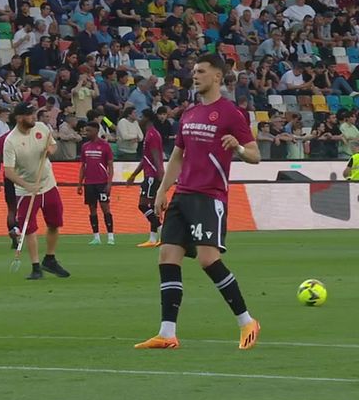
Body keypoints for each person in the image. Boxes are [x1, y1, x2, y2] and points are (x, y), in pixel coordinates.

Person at [134, 54, 261, 350]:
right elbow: (178, 156)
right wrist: (163, 191)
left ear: (217, 76)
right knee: (167, 256)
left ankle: (247, 321)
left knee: (207, 259)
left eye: (201, 71)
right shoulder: (189, 114)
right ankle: (167, 333)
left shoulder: (230, 113)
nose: (195, 75)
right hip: (183, 195)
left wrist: (239, 148)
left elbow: (255, 155)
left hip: (209, 195)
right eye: (194, 71)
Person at [3, 102, 71, 280]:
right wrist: (27, 185)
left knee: (55, 223)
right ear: (19, 118)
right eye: (29, 114)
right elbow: (8, 171)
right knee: (29, 228)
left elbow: (53, 145)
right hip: (25, 191)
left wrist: (50, 150)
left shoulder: (41, 127)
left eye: (33, 113)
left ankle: (50, 259)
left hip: (48, 184)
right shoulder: (11, 141)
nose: (33, 117)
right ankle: (35, 266)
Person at [127, 109, 165, 248]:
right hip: (151, 174)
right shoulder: (150, 134)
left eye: (141, 116)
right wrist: (134, 175)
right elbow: (146, 159)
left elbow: (156, 158)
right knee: (153, 207)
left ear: (147, 118)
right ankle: (153, 238)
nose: (139, 119)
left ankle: (162, 231)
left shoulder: (152, 135)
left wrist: (161, 179)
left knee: (143, 205)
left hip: (152, 176)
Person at [77, 122, 115, 246]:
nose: (87, 133)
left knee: (105, 208)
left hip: (102, 182)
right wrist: (80, 183)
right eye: (86, 130)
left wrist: (109, 183)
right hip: (89, 183)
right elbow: (83, 166)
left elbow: (110, 166)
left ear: (96, 131)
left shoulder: (105, 146)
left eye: (89, 130)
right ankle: (96, 237)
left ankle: (110, 236)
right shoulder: (85, 146)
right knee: (92, 209)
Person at [0, 129, 20, 249]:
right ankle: (18, 230)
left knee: (11, 209)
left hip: (9, 177)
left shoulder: (4, 138)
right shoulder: (25, 135)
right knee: (24, 207)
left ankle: (13, 235)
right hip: (23, 176)